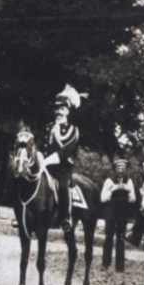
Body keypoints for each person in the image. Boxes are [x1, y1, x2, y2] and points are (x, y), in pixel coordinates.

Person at [38, 84, 84, 231]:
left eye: (62, 109)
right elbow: (39, 145)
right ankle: (23, 214)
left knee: (64, 187)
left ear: (68, 111)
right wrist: (39, 157)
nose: (58, 112)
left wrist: (46, 161)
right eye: (57, 109)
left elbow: (66, 151)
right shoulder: (47, 127)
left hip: (61, 168)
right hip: (43, 166)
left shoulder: (73, 130)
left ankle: (65, 218)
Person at [101, 157, 135, 271]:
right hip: (111, 212)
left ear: (125, 169)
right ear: (115, 169)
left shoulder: (129, 181)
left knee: (121, 238)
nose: (120, 171)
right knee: (109, 237)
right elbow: (102, 198)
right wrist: (112, 189)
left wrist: (128, 190)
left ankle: (120, 266)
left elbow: (133, 199)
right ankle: (106, 263)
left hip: (122, 212)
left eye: (123, 168)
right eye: (118, 168)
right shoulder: (109, 181)